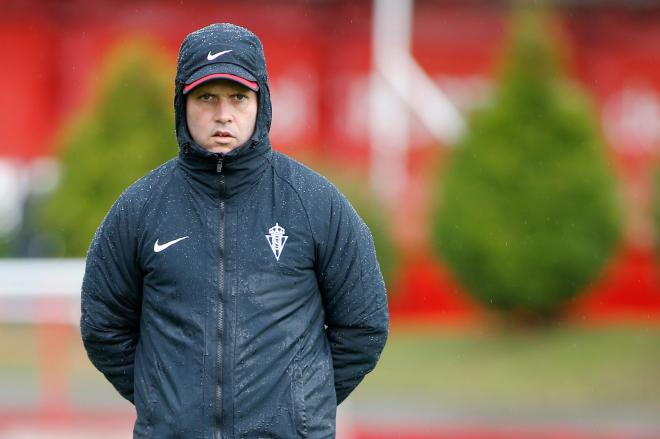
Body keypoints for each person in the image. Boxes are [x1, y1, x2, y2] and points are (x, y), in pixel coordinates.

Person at [80, 23, 389, 438]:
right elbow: (103, 325)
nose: (223, 114)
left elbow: (364, 324)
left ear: (261, 104)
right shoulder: (140, 208)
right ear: (181, 103)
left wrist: (299, 404)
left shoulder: (316, 203)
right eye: (207, 97)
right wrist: (165, 402)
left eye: (238, 98)